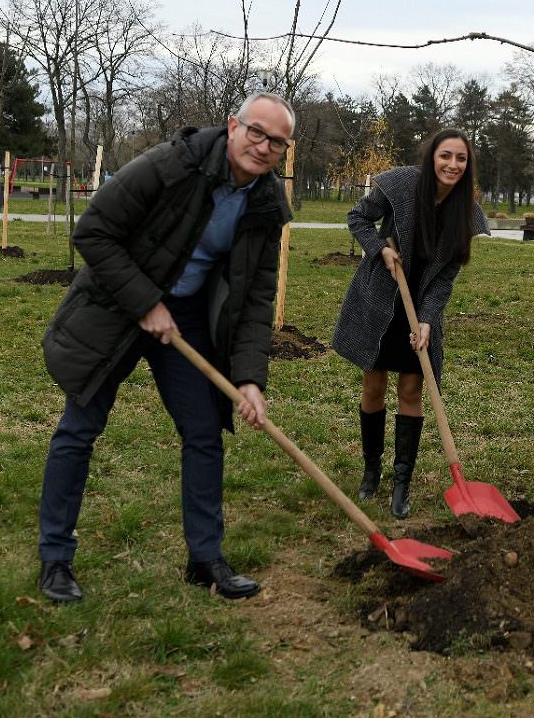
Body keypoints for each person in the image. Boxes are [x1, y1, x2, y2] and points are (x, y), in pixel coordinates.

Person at [36, 93, 295, 604]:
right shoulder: (171, 164)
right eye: (256, 132)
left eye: (277, 142)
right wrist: (145, 302)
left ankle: (205, 558)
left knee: (203, 433)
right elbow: (93, 233)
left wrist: (249, 378)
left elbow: (255, 299)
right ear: (232, 126)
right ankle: (55, 558)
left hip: (189, 318)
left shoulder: (266, 205)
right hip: (116, 304)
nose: (263, 147)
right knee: (80, 428)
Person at [332, 129, 489, 518]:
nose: (453, 165)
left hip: (419, 306)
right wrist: (380, 248)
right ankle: (371, 473)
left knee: (411, 389)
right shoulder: (400, 185)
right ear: (432, 156)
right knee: (374, 382)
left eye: (461, 159)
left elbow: (446, 276)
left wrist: (429, 320)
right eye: (446, 156)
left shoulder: (466, 212)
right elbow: (358, 218)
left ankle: (402, 482)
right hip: (381, 298)